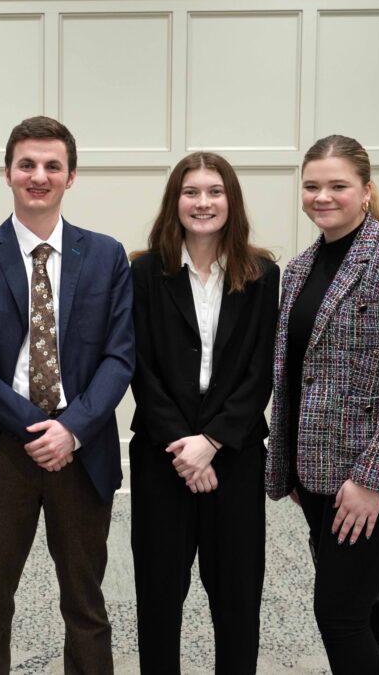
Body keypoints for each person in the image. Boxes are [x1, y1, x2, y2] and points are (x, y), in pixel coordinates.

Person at [0, 116, 134, 674]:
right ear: (8, 172)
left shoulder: (105, 255)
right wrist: (36, 425)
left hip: (81, 449)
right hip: (2, 448)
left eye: (53, 165)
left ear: (71, 176)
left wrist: (70, 429)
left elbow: (119, 356)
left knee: (86, 604)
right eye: (27, 164)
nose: (39, 175)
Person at [265, 134, 379, 674]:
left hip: (377, 479)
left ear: (366, 192)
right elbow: (295, 373)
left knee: (337, 612)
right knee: (364, 607)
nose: (323, 196)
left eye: (338, 185)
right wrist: (294, 465)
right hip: (318, 473)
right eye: (312, 186)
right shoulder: (298, 270)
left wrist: (371, 479)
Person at [129, 152, 278, 674]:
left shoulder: (262, 275)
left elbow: (261, 371)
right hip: (161, 456)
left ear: (231, 202)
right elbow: (139, 367)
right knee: (158, 597)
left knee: (237, 599)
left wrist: (211, 441)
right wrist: (183, 443)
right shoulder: (144, 272)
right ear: (175, 202)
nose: (203, 202)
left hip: (233, 458)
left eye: (215, 191)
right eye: (191, 192)